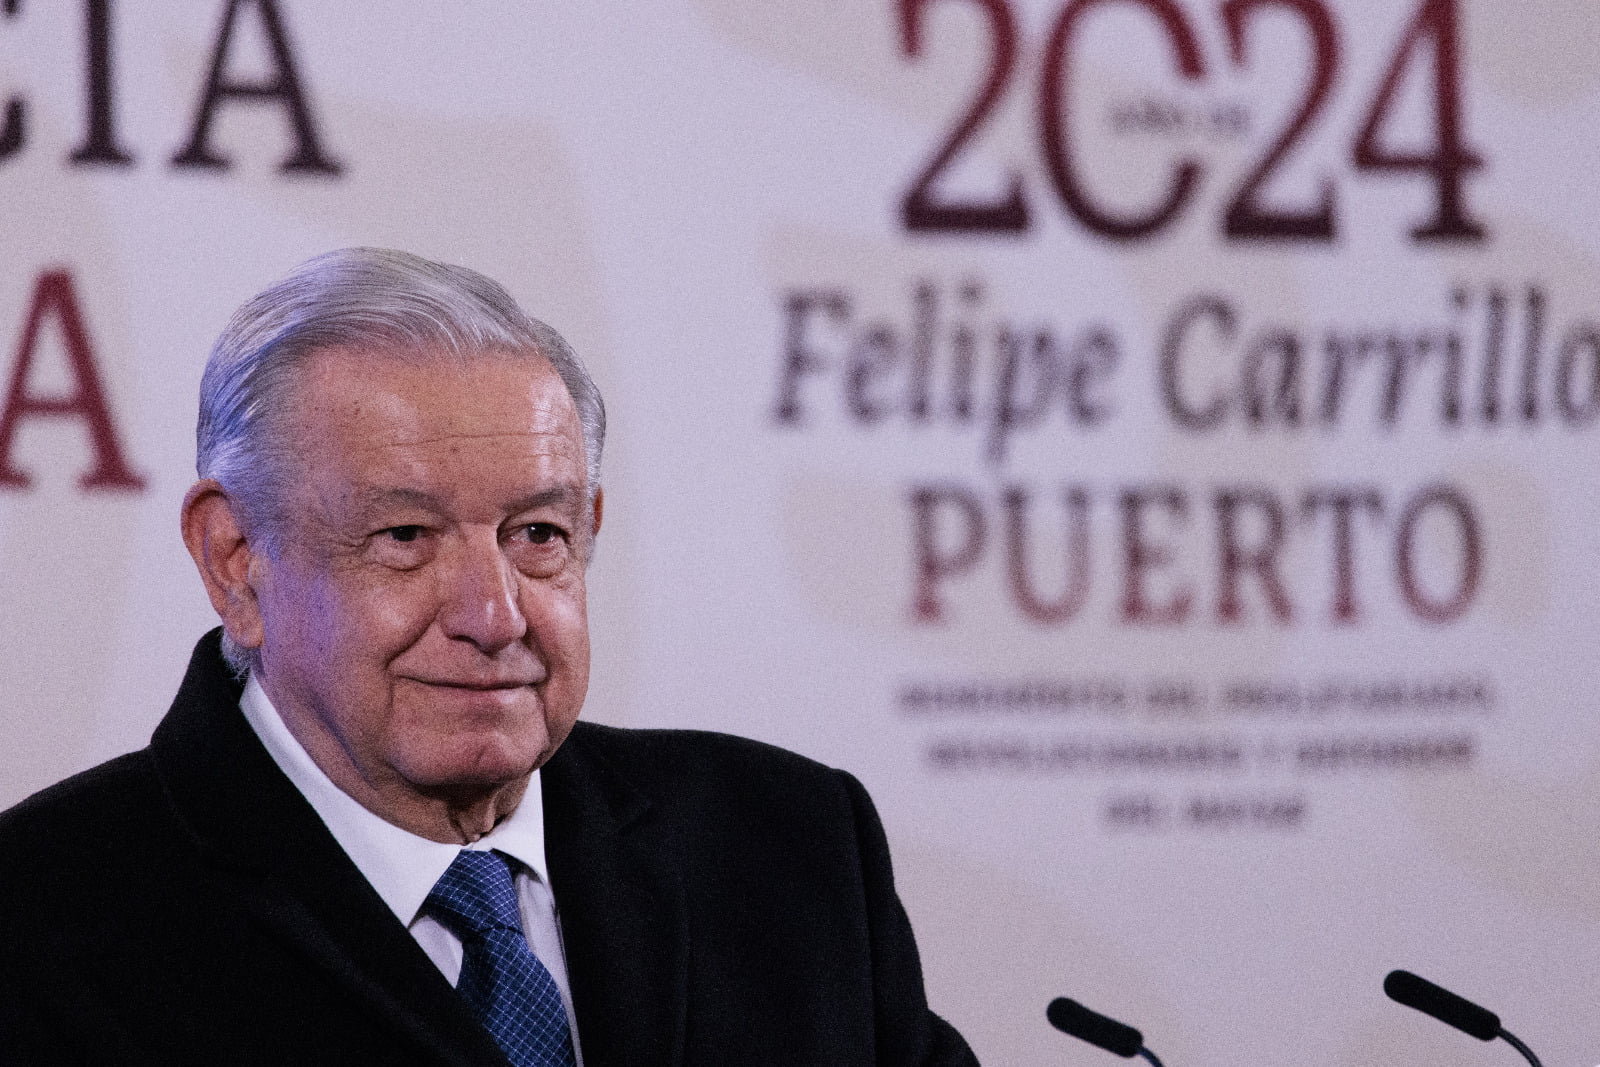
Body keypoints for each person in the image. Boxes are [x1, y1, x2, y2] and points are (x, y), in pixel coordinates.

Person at [0, 249, 979, 1066]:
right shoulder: (42, 922)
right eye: (405, 536)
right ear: (236, 561)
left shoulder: (788, 847)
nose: (492, 612)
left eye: (537, 532)